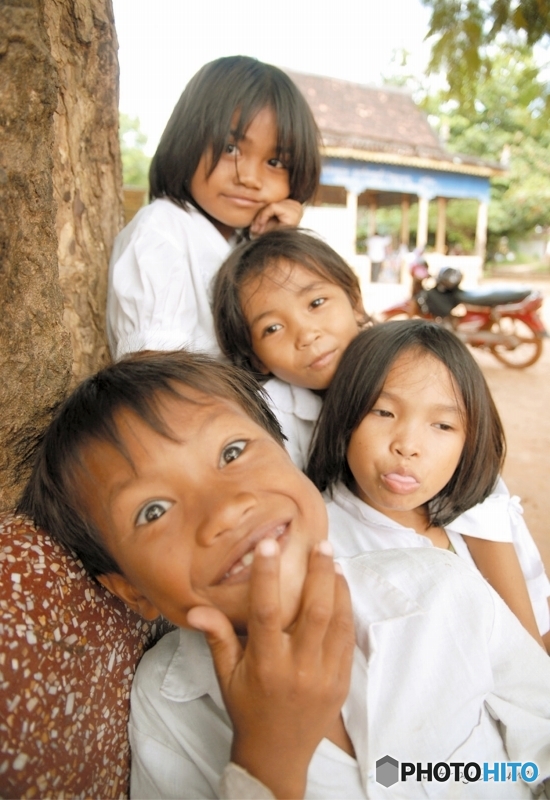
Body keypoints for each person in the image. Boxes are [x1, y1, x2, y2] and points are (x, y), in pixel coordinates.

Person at [19, 351, 550, 800]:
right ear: (131, 590)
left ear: (288, 456)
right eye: (153, 510)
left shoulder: (438, 585)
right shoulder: (165, 710)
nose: (225, 509)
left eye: (232, 452)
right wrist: (267, 762)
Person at [307, 320, 550, 650]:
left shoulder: (488, 514)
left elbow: (538, 634)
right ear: (345, 415)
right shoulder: (320, 542)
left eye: (443, 425)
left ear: (471, 439)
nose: (408, 445)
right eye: (383, 412)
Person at [107, 56, 320, 361]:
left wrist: (276, 247)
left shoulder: (246, 241)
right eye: (230, 149)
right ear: (188, 139)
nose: (248, 178)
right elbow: (156, 378)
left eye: (275, 162)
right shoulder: (162, 231)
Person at [213, 228, 371, 468]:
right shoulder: (269, 420)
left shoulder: (408, 366)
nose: (306, 335)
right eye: (273, 328)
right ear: (257, 358)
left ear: (355, 303)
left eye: (316, 303)